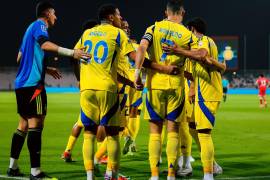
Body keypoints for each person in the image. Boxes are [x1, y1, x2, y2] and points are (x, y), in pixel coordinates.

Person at [7, 1, 91, 179]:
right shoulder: (40, 25)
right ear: (46, 14)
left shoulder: (28, 29)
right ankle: (35, 171)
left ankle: (12, 167)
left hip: (21, 84)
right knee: (36, 125)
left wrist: (45, 68)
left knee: (22, 125)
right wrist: (72, 53)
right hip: (33, 86)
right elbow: (44, 44)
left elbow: (19, 57)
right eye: (54, 13)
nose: (56, 17)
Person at [134, 1, 209, 179]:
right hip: (176, 86)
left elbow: (141, 48)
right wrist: (180, 51)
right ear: (182, 12)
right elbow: (202, 54)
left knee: (155, 132)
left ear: (166, 12)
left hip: (154, 86)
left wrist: (136, 73)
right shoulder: (187, 34)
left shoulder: (153, 28)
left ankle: (153, 175)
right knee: (173, 131)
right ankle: (170, 174)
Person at [162, 17, 226, 180]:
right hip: (201, 93)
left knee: (204, 133)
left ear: (191, 29)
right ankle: (211, 164)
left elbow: (202, 55)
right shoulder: (199, 45)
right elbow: (197, 68)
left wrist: (178, 51)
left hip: (208, 93)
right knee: (192, 127)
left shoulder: (203, 40)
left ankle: (209, 173)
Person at [62, 19, 99, 162]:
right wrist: (80, 79)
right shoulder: (88, 39)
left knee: (80, 121)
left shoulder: (84, 41)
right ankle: (97, 159)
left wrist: (79, 78)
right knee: (96, 125)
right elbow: (73, 58)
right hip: (95, 85)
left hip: (86, 86)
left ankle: (67, 151)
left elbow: (73, 59)